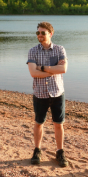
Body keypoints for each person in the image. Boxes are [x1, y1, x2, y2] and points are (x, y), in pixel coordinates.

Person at [26, 22, 69, 167]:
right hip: (39, 93)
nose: (39, 35)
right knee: (39, 123)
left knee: (59, 124)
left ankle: (60, 151)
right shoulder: (32, 51)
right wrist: (51, 70)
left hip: (57, 92)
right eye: (38, 32)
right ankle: (37, 150)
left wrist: (42, 68)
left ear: (51, 34)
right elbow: (33, 73)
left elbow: (63, 69)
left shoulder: (59, 49)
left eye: (43, 33)